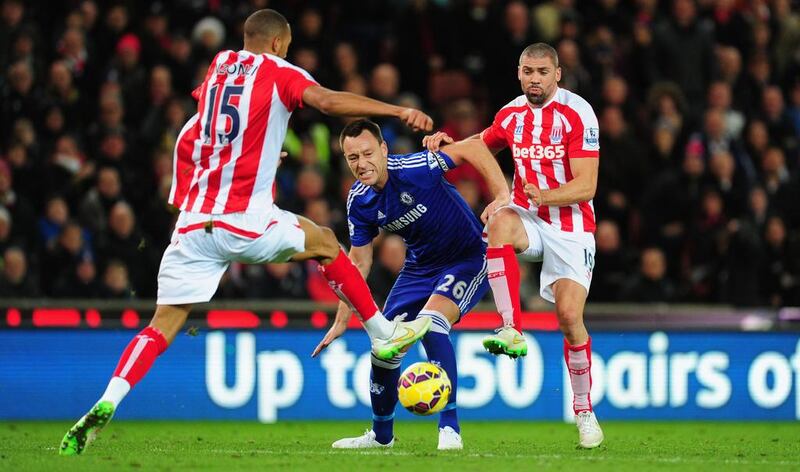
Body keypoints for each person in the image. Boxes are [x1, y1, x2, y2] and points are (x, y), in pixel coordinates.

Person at [60, 9, 435, 456]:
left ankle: (108, 399)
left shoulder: (219, 67)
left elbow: (205, 129)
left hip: (195, 221)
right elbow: (329, 103)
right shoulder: (279, 70)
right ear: (279, 43)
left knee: (162, 324)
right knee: (326, 243)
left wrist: (242, 163)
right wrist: (396, 109)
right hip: (243, 218)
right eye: (289, 45)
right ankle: (381, 333)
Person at [428, 43, 604, 448]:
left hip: (571, 226)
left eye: (543, 71)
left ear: (557, 74)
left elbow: (588, 184)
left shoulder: (578, 114)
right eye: (528, 71)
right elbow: (482, 143)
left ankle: (583, 411)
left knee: (568, 317)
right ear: (519, 72)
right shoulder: (510, 114)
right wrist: (447, 144)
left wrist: (546, 195)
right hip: (527, 217)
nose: (535, 79)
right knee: (499, 221)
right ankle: (511, 328)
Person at [311, 119, 509, 451]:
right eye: (352, 158)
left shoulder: (417, 167)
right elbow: (359, 263)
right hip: (418, 269)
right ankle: (381, 436)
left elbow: (474, 147)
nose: (361, 164)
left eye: (367, 153)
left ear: (384, 149)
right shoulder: (359, 200)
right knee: (384, 347)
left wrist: (502, 195)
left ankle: (450, 428)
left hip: (467, 257)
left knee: (430, 325)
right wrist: (342, 317)